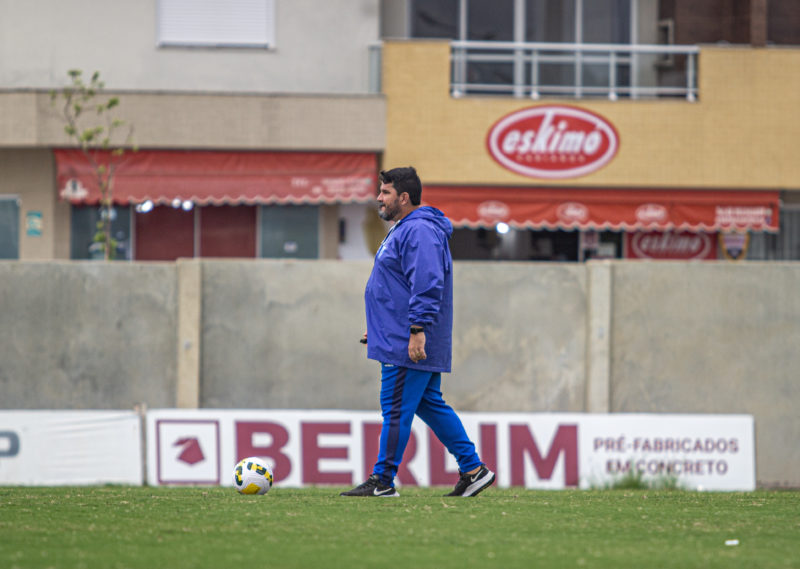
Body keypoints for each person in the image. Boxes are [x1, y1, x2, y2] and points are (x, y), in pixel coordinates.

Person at [341, 166, 495, 498]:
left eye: (385, 193)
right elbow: (397, 284)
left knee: (395, 409)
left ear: (404, 197)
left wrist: (416, 330)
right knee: (430, 404)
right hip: (398, 334)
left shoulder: (420, 230)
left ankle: (382, 481)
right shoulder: (407, 229)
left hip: (408, 340)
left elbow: (426, 282)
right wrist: (382, 326)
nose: (379, 198)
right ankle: (473, 470)